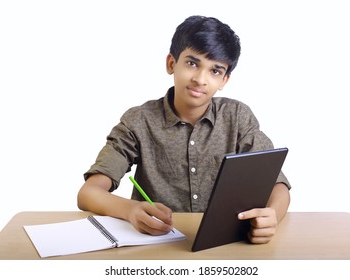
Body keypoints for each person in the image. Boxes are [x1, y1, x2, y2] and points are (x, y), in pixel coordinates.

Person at [77, 15, 291, 244]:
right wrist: (130, 209)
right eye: (192, 63)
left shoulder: (237, 116)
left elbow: (277, 184)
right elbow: (88, 194)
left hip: (223, 244)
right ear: (171, 64)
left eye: (215, 71)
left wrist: (273, 216)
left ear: (224, 80)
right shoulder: (139, 120)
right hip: (155, 244)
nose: (200, 79)